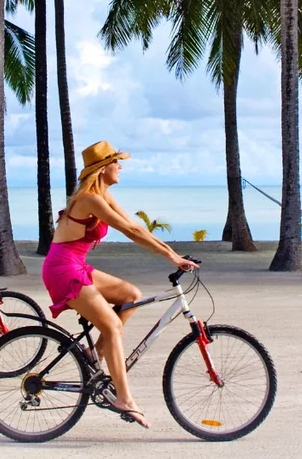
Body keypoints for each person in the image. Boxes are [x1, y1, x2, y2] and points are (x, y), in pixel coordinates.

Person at [42, 141, 198, 429]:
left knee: (130, 295)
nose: (121, 167)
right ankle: (124, 399)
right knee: (112, 327)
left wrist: (173, 255)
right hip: (63, 270)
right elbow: (129, 230)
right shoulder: (90, 199)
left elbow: (137, 229)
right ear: (103, 168)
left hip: (75, 266)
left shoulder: (103, 196)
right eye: (117, 162)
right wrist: (171, 258)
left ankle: (94, 353)